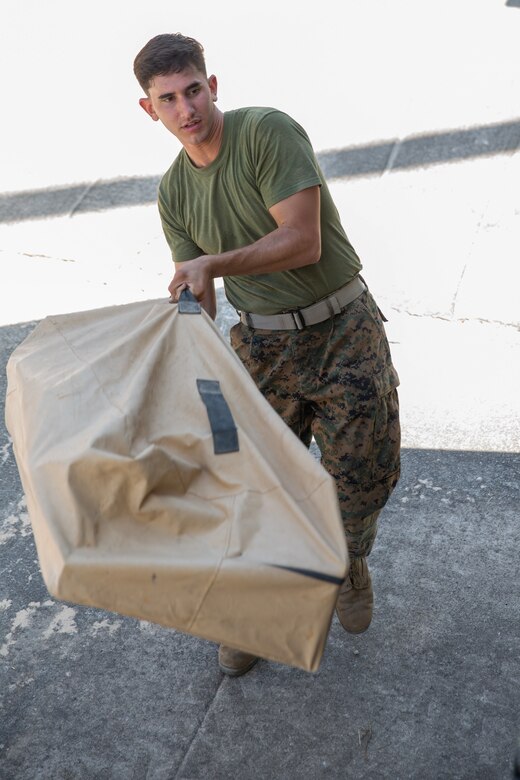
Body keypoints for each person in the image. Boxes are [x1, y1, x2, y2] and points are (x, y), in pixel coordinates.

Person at [133, 33, 401, 677]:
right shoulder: (174, 194)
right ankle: (249, 612)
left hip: (341, 326)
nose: (185, 108)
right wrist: (187, 324)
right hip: (261, 344)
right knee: (248, 488)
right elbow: (196, 281)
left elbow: (303, 242)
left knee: (361, 478)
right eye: (167, 98)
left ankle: (347, 562)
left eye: (193, 89)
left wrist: (212, 263)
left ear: (212, 85)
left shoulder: (266, 135)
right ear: (149, 110)